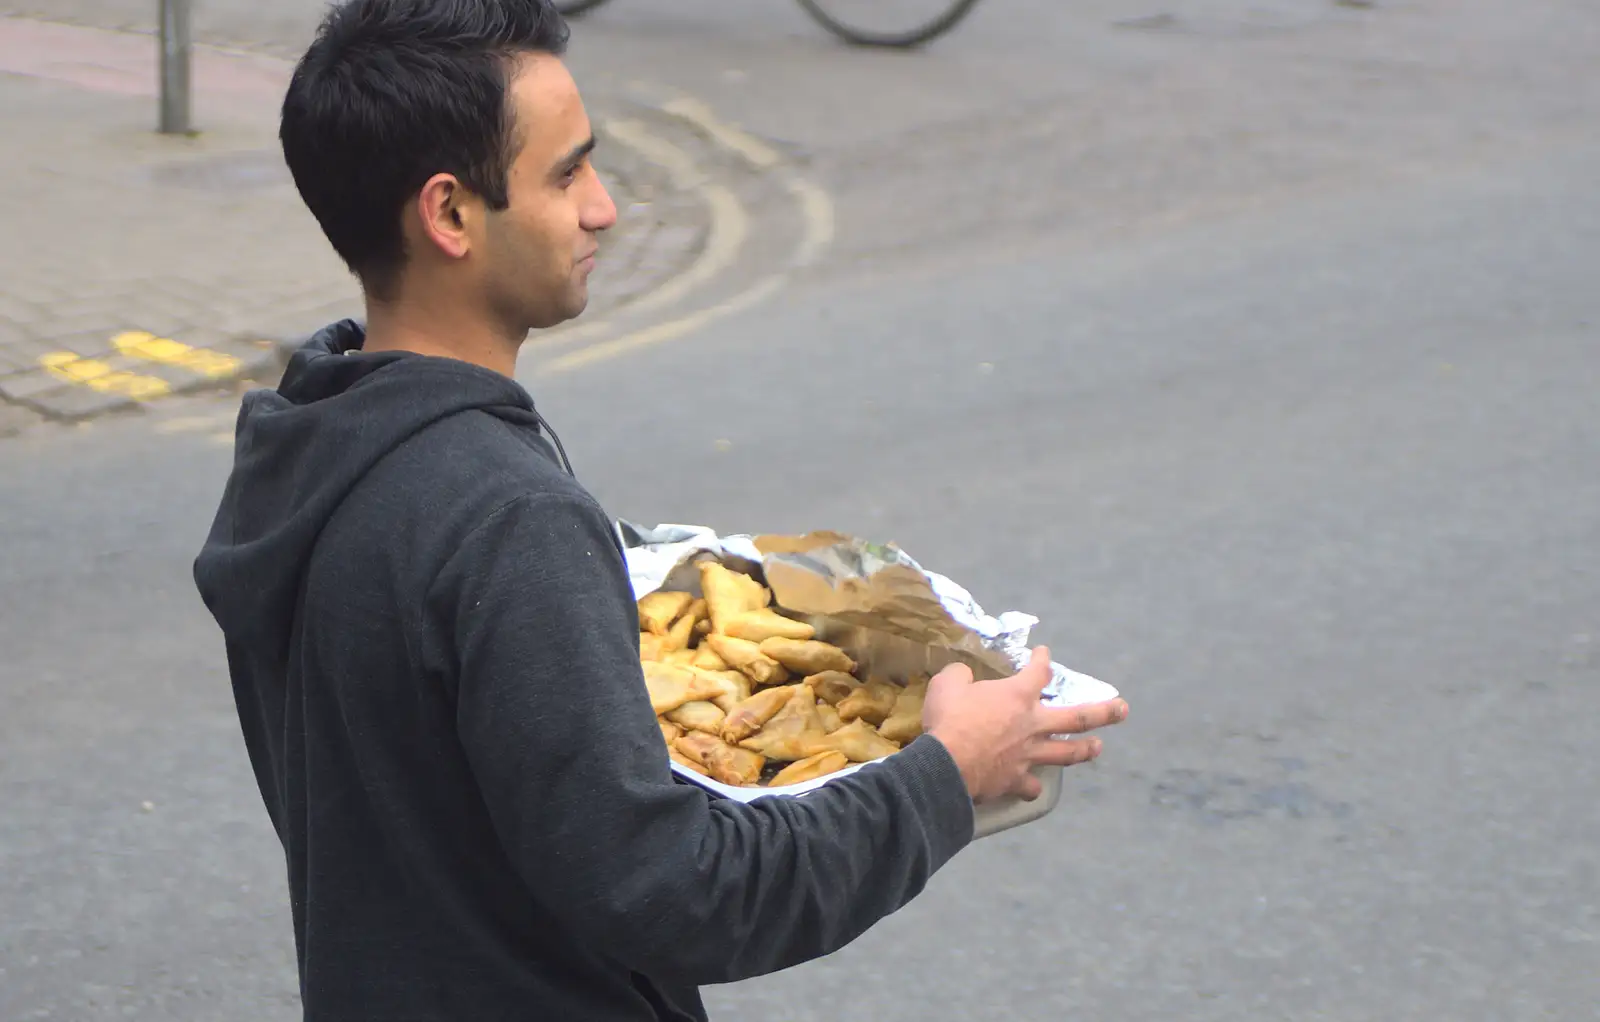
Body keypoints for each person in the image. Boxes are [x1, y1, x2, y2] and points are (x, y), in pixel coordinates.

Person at [191, 1, 1130, 1019]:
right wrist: (946, 775)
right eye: (566, 173)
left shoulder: (312, 447)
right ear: (450, 214)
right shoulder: (507, 523)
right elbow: (677, 890)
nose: (604, 209)